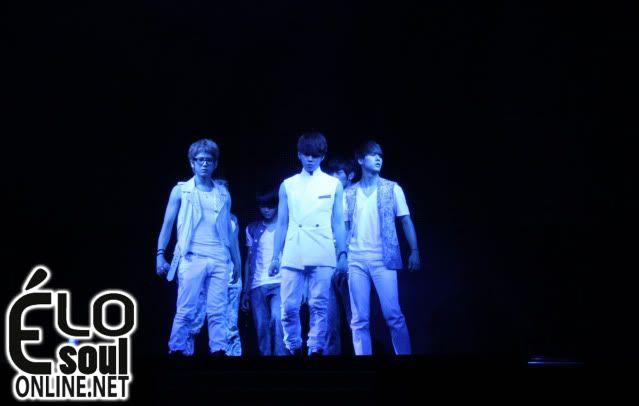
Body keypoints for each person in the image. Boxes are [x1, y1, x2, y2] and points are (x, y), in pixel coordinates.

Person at [156, 139, 241, 356]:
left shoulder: (223, 193)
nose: (204, 164)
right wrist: (160, 254)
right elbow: (167, 224)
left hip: (219, 257)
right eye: (200, 160)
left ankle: (219, 350)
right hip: (192, 256)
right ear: (192, 163)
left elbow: (229, 232)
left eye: (208, 160)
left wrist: (237, 263)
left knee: (218, 312)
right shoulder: (181, 191)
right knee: (186, 310)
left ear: (215, 164)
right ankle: (176, 350)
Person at [269, 132, 348, 356]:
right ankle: (293, 345)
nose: (310, 159)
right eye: (306, 154)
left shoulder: (333, 184)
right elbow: (281, 223)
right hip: (294, 248)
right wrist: (275, 256)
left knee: (319, 305)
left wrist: (342, 253)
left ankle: (315, 347)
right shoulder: (288, 185)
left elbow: (338, 222)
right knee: (289, 306)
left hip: (322, 248)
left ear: (322, 156)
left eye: (315, 155)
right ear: (299, 155)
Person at [345, 141, 420, 355]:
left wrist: (415, 251)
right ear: (360, 160)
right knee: (359, 319)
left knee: (393, 315)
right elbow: (343, 227)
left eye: (380, 155)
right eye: (373, 155)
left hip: (383, 259)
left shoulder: (392, 188)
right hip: (355, 259)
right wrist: (341, 255)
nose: (378, 158)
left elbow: (405, 220)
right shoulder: (349, 193)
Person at [240, 186, 287, 356]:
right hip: (257, 284)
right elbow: (249, 261)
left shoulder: (286, 227)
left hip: (280, 282)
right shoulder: (252, 228)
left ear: (278, 205)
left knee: (278, 320)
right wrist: (245, 292)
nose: (267, 210)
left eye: (271, 206)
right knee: (261, 327)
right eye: (263, 206)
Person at [324, 156, 357, 355]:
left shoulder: (358, 196)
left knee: (356, 319)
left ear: (350, 175)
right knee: (329, 321)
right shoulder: (327, 197)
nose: (333, 176)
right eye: (331, 172)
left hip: (351, 261)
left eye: (338, 173)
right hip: (327, 260)